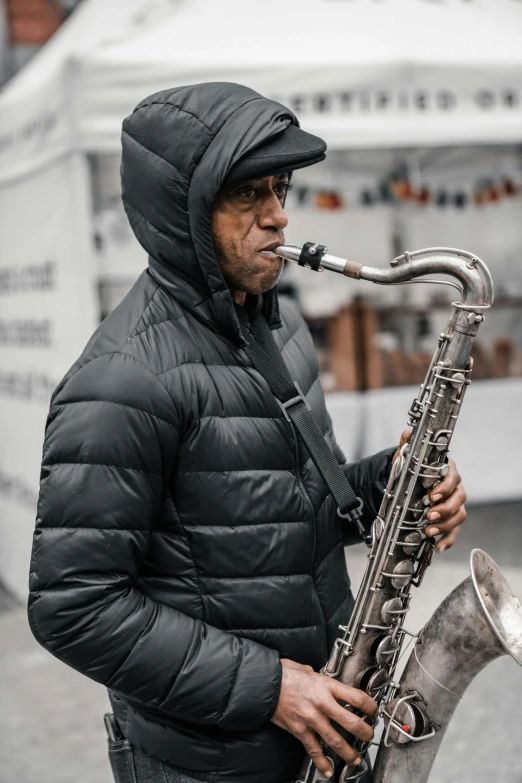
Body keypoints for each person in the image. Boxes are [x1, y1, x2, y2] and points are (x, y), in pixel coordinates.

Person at [27, 83, 466, 783]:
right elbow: (73, 606)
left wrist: (393, 483)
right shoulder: (120, 380)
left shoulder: (280, 324)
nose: (279, 218)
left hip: (319, 729)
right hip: (206, 763)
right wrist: (272, 687)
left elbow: (285, 517)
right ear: (184, 214)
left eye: (279, 188)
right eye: (247, 196)